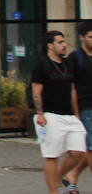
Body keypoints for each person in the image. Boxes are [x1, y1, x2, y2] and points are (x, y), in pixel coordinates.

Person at [33, 29, 85, 194]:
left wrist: (76, 114)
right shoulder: (42, 64)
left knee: (78, 152)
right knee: (52, 155)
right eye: (60, 42)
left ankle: (57, 178)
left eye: (64, 42)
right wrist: (40, 114)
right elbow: (36, 91)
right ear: (50, 46)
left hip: (69, 115)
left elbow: (72, 90)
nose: (64, 45)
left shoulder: (68, 63)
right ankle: (53, 191)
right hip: (50, 114)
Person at [63, 21, 92, 194]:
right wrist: (75, 113)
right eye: (91, 37)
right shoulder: (76, 58)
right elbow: (71, 87)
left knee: (86, 149)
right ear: (82, 38)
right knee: (90, 148)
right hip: (86, 106)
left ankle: (71, 175)